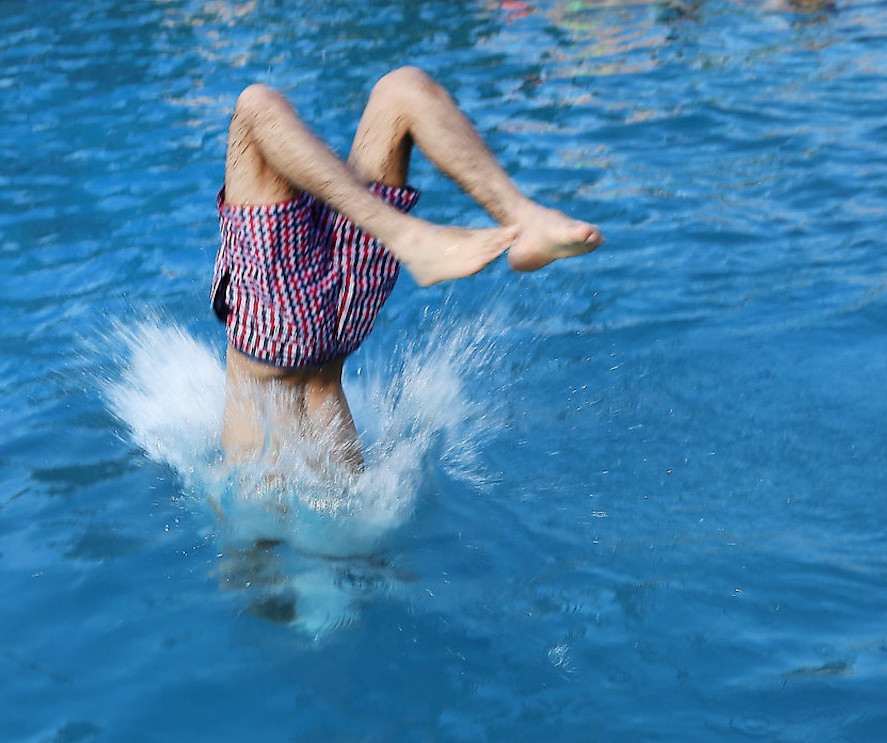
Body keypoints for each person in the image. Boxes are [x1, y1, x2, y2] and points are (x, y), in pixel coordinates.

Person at [211, 66, 603, 476]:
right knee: (400, 91)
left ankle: (451, 231)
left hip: (277, 354)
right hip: (339, 324)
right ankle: (521, 217)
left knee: (262, 106)